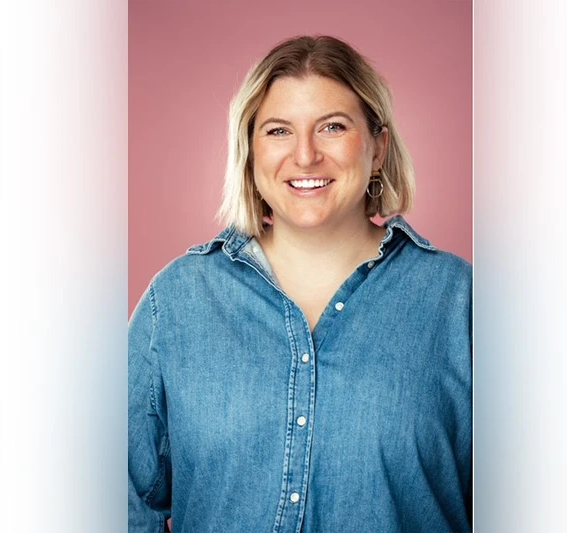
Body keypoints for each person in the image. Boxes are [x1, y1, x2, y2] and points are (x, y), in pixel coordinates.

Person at [129, 35, 472, 532]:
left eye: (333, 127)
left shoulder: (460, 303)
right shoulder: (176, 302)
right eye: (278, 131)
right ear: (250, 151)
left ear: (378, 147)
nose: (306, 156)